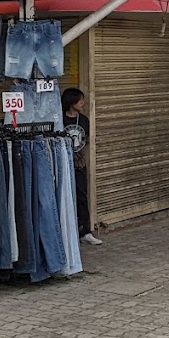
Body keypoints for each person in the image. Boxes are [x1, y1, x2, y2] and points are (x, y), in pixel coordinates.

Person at [62, 87, 101, 245]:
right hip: (63, 162)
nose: (83, 103)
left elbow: (87, 140)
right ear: (71, 103)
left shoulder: (83, 120)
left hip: (79, 163)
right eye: (80, 101)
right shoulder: (60, 119)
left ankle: (85, 231)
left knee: (82, 196)